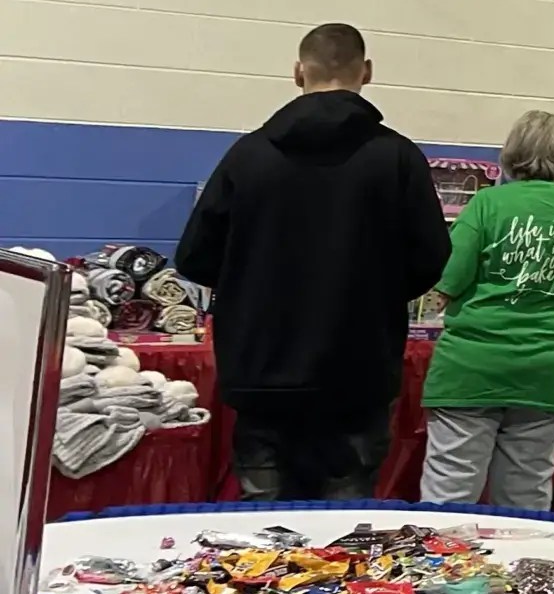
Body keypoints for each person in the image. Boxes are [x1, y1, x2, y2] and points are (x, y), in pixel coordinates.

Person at [175, 24, 452, 501]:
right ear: (367, 72)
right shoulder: (398, 158)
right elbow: (432, 257)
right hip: (359, 371)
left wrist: (251, 286)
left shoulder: (248, 155)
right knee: (344, 523)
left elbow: (195, 257)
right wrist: (377, 293)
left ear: (297, 73)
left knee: (263, 526)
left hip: (262, 370)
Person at [420, 110, 554, 510]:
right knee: (525, 496)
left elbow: (449, 276)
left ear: (509, 154)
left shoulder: (486, 203)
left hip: (471, 366)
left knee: (449, 492)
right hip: (546, 369)